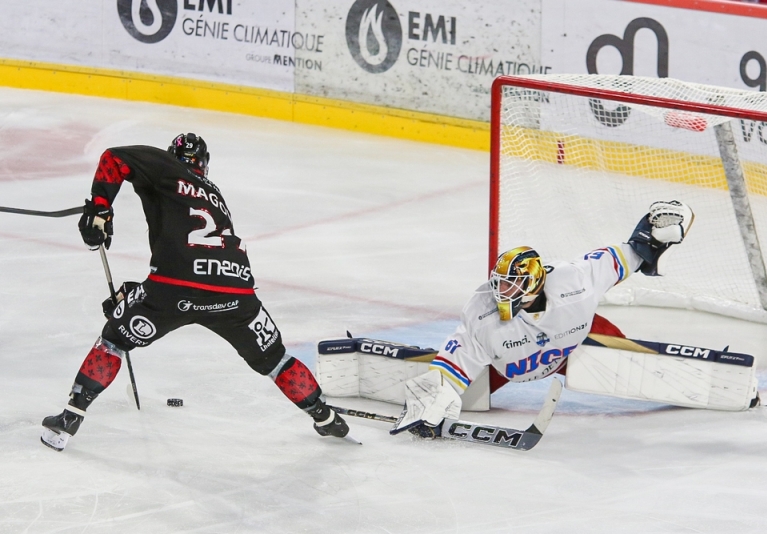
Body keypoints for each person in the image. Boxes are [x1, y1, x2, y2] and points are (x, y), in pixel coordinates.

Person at [41, 133, 349, 451]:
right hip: (236, 291)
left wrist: (99, 209)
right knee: (276, 359)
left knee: (113, 342)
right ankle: (327, 420)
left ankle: (68, 421)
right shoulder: (215, 195)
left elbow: (113, 158)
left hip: (172, 287)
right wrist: (138, 294)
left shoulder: (165, 165)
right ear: (204, 164)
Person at [390, 200, 700, 438]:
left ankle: (674, 378)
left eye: (511, 284)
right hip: (512, 360)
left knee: (628, 365)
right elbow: (457, 359)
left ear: (534, 283)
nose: (501, 291)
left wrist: (655, 235)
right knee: (467, 395)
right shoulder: (482, 312)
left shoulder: (575, 280)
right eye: (499, 282)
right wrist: (434, 395)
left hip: (575, 345)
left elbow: (630, 254)